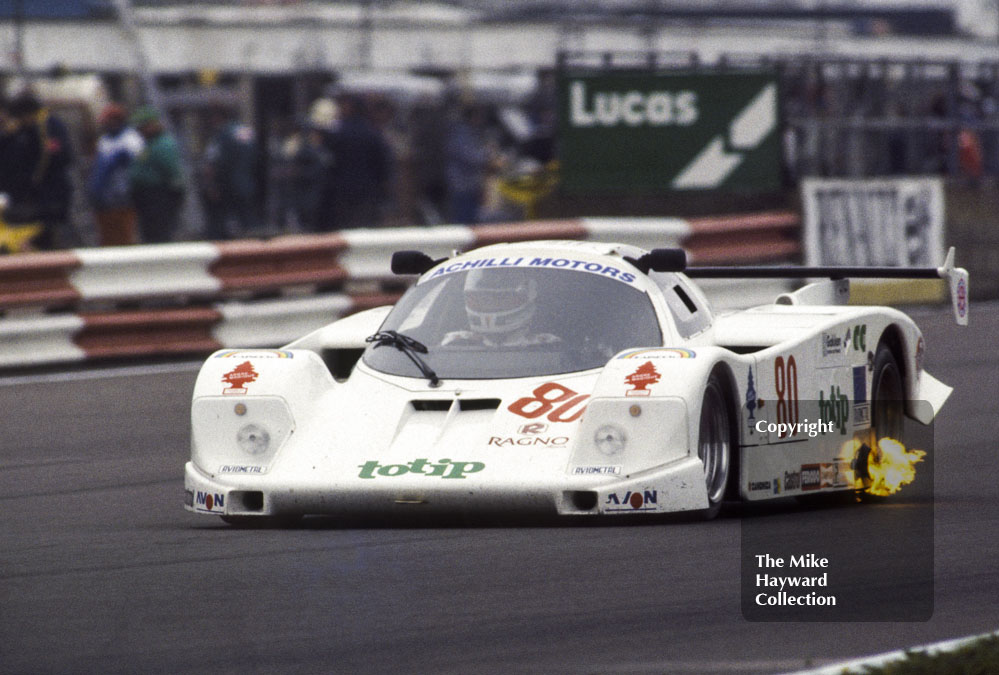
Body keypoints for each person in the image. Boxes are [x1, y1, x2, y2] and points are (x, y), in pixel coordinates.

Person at [0, 90, 74, 249]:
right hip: (37, 194)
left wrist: (34, 182)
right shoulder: (27, 130)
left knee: (46, 233)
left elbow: (50, 156)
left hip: (49, 194)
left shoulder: (46, 125)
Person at [442, 268, 560, 347]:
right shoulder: (455, 342)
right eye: (481, 299)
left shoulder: (547, 344)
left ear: (527, 298)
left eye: (500, 298)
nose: (488, 305)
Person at [87, 103, 144, 245]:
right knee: (106, 237)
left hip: (124, 198)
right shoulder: (104, 140)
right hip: (103, 199)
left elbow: (130, 160)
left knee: (125, 236)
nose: (107, 125)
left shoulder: (131, 137)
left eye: (110, 121)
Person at [201, 107, 260, 239]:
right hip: (247, 183)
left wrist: (211, 185)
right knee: (247, 222)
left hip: (226, 185)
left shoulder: (221, 134)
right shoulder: (248, 132)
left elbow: (212, 162)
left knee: (221, 224)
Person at [128, 106, 185, 243]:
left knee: (159, 234)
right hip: (146, 199)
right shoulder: (149, 144)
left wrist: (176, 193)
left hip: (159, 197)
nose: (140, 132)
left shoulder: (163, 144)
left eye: (143, 127)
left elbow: (171, 170)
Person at [444, 102, 493, 224]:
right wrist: (488, 156)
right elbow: (470, 156)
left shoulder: (474, 132)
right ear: (472, 116)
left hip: (471, 184)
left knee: (473, 218)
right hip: (462, 184)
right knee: (463, 219)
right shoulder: (461, 134)